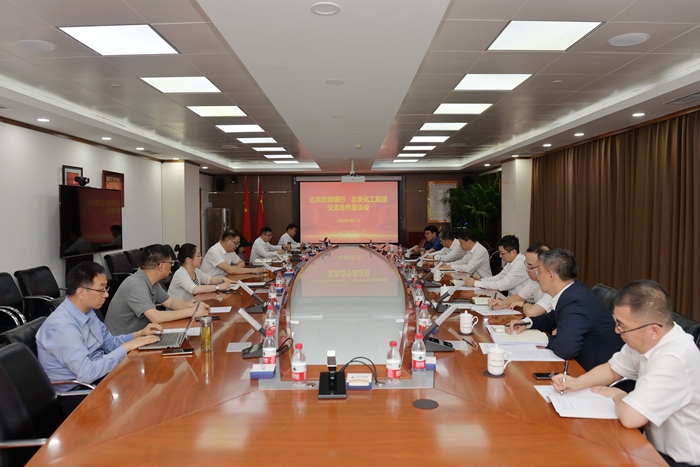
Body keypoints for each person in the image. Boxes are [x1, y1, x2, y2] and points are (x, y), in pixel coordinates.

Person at [552, 280, 700, 467]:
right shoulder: (648, 338)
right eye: (617, 322)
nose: (617, 331)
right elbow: (613, 368)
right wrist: (577, 383)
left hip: (677, 461)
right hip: (649, 446)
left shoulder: (674, 359)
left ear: (653, 330)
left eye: (622, 326)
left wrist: (618, 394)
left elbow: (631, 417)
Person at [36, 262, 162, 413]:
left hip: (98, 377)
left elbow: (109, 343)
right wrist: (128, 346)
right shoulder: (63, 326)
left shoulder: (87, 311)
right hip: (76, 393)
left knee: (148, 381)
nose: (106, 295)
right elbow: (87, 373)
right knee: (136, 402)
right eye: (101, 290)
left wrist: (139, 334)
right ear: (81, 292)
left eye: (105, 289)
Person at [507, 249, 623, 371]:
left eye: (539, 273)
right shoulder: (573, 291)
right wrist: (527, 323)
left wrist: (549, 339)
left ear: (551, 276)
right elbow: (553, 317)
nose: (537, 277)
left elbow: (566, 349)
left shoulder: (574, 302)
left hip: (600, 370)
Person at [105, 244, 210, 335]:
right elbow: (155, 317)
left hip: (142, 336)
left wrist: (194, 306)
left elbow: (170, 303)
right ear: (161, 266)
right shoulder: (136, 285)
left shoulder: (152, 282)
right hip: (123, 344)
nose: (171, 267)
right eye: (170, 263)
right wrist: (192, 312)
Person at [489, 243, 552, 317]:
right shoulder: (534, 280)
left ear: (544, 266)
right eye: (527, 265)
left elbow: (531, 312)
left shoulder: (553, 286)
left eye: (530, 267)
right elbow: (520, 296)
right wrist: (502, 303)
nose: (527, 270)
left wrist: (525, 304)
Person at [168, 243, 234, 302]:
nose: (201, 258)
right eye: (198, 256)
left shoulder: (196, 271)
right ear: (188, 259)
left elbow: (210, 280)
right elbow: (194, 290)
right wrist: (218, 287)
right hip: (178, 309)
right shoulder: (181, 274)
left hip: (191, 304)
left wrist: (222, 279)